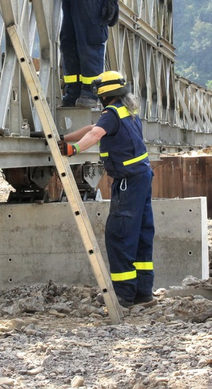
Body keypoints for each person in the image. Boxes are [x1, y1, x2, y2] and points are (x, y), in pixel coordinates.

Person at [58, 71, 155, 308]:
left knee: (120, 234)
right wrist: (63, 138)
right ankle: (143, 292)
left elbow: (95, 133)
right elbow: (93, 128)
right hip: (141, 177)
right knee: (141, 233)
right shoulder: (127, 112)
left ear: (104, 95)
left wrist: (73, 150)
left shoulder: (111, 113)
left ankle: (123, 295)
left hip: (128, 180)